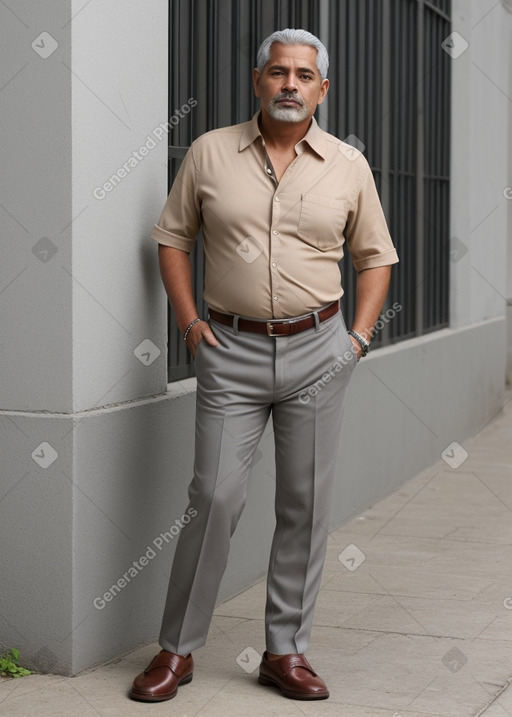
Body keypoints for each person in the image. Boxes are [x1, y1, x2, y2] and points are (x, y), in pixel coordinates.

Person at [130, 27, 398, 703]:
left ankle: (286, 650)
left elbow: (376, 257)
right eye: (277, 72)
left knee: (304, 504)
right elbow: (170, 239)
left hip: (319, 350)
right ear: (257, 81)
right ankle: (178, 649)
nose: (289, 84)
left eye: (303, 76)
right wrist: (190, 322)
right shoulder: (210, 153)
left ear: (322, 89)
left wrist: (356, 340)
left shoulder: (347, 166)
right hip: (229, 350)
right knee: (214, 497)